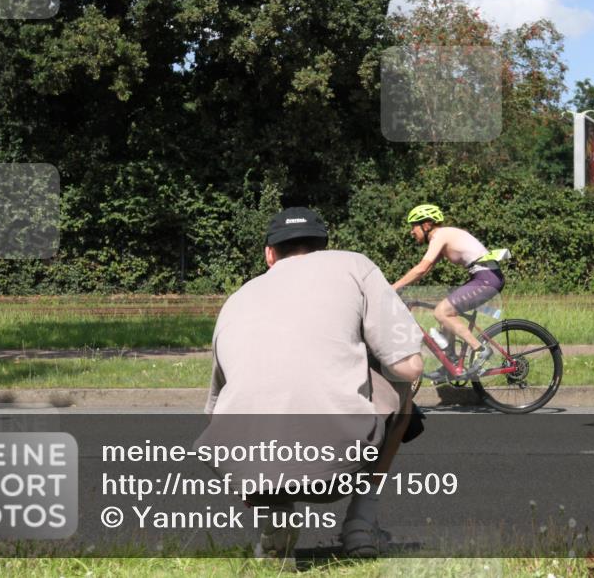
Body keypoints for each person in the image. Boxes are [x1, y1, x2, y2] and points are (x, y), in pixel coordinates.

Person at [198, 207, 424, 562]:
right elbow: (408, 368)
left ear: (269, 255)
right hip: (336, 466)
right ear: (322, 248)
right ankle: (361, 525)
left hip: (249, 468)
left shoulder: (236, 299)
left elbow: (213, 412)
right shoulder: (354, 265)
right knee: (401, 387)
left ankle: (271, 516)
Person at [392, 204, 506, 377]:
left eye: (413, 225)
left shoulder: (440, 235)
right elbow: (424, 271)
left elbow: (421, 268)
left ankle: (481, 350)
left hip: (487, 278)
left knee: (442, 312)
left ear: (427, 224)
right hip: (482, 277)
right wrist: (404, 287)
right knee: (444, 312)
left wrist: (393, 287)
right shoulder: (441, 237)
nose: (411, 231)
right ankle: (449, 364)